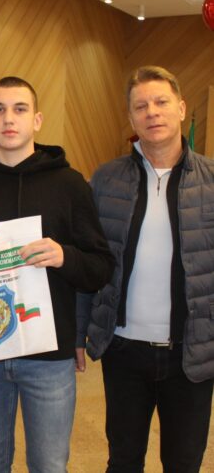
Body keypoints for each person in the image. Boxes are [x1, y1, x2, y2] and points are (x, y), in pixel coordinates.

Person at [0, 76, 114, 472]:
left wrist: (64, 256)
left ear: (36, 120)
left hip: (48, 357)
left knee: (49, 464)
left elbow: (100, 267)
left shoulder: (70, 185)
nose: (9, 118)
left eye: (19, 109)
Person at [79, 65, 214, 472]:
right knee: (122, 461)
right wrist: (77, 331)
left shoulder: (211, 181)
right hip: (123, 351)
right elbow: (88, 261)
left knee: (183, 463)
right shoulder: (106, 180)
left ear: (181, 108)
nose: (152, 112)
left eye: (161, 102)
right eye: (141, 106)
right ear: (131, 117)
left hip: (191, 355)